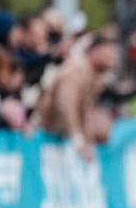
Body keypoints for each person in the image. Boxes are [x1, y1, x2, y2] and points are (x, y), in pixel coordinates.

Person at [37, 32, 121, 161]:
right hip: (49, 137)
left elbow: (85, 110)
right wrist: (78, 139)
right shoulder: (76, 69)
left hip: (60, 139)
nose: (113, 59)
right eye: (109, 53)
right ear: (94, 51)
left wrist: (87, 140)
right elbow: (65, 104)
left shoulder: (91, 74)